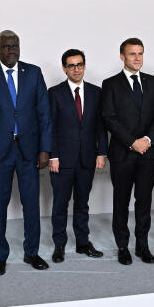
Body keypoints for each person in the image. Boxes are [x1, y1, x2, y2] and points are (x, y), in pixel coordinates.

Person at [0, 30, 52, 275]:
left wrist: (44, 149)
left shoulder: (34, 73)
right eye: (6, 47)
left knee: (31, 204)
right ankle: (1, 255)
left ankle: (31, 252)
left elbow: (44, 114)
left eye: (15, 46)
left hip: (29, 151)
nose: (11, 51)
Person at [101, 38, 154, 265]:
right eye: (132, 54)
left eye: (140, 53)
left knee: (144, 201)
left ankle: (142, 244)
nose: (137, 58)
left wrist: (147, 140)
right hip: (122, 154)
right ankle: (122, 246)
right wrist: (132, 142)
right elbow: (109, 118)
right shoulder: (110, 84)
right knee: (121, 201)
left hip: (147, 153)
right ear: (122, 57)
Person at [48, 49, 108, 263]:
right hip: (62, 161)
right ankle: (60, 245)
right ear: (64, 68)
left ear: (84, 65)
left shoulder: (96, 92)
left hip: (87, 159)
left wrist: (102, 152)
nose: (76, 69)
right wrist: (52, 156)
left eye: (79, 64)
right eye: (71, 65)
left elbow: (100, 126)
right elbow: (50, 127)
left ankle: (83, 243)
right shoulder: (54, 93)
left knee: (82, 203)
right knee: (60, 204)